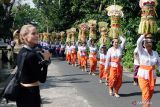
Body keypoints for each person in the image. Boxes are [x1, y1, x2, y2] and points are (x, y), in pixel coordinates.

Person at [16, 24, 51, 107]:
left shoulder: (22, 52)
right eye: (33, 33)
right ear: (25, 36)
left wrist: (42, 62)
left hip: (21, 92)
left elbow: (30, 71)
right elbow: (42, 79)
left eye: (37, 33)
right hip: (31, 93)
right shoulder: (31, 55)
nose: (37, 36)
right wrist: (46, 61)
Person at [137, 34, 160, 107]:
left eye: (150, 42)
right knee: (146, 93)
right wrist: (144, 34)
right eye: (146, 42)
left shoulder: (155, 53)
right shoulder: (141, 51)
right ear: (143, 44)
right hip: (143, 76)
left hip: (152, 76)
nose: (148, 44)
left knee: (150, 92)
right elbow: (138, 42)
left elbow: (159, 64)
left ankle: (145, 105)